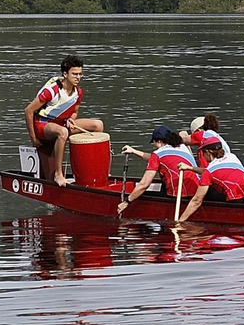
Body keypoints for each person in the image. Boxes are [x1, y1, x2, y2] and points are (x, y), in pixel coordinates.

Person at [24, 54, 104, 186]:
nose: (78, 77)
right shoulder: (52, 91)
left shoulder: (78, 92)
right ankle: (58, 174)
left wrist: (71, 119)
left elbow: (74, 112)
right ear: (65, 74)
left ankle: (93, 170)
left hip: (61, 123)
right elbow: (28, 111)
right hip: (43, 125)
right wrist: (33, 139)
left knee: (98, 125)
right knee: (63, 132)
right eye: (74, 74)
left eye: (80, 74)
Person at [177, 129, 244, 224]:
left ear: (208, 152)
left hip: (238, 201)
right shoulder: (232, 157)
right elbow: (214, 171)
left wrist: (180, 221)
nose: (203, 155)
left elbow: (197, 201)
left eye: (203, 153)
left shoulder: (210, 171)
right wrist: (190, 168)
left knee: (206, 192)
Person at [118, 126, 199, 215]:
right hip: (198, 191)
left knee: (143, 195)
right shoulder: (182, 147)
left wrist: (127, 202)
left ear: (159, 142)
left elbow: (144, 184)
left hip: (181, 195)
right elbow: (158, 159)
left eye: (154, 143)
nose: (154, 146)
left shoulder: (158, 154)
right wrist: (133, 151)